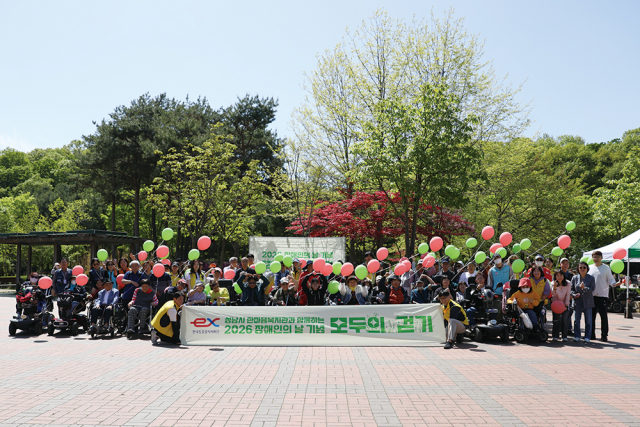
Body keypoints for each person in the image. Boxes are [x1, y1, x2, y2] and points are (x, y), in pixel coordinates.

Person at [589, 251, 621, 342]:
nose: (596, 259)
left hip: (602, 296)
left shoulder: (606, 268)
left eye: (597, 257)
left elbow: (610, 280)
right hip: (591, 296)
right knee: (591, 317)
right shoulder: (590, 267)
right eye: (594, 257)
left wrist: (615, 284)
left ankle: (604, 335)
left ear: (601, 258)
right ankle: (591, 334)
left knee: (603, 317)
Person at [571, 261, 595, 343]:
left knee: (588, 320)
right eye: (580, 267)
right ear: (578, 268)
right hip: (577, 301)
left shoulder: (591, 278)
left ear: (587, 268)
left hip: (587, 301)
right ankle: (577, 336)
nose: (582, 269)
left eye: (584, 267)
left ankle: (587, 337)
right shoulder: (574, 278)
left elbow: (592, 288)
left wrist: (584, 288)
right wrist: (574, 294)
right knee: (576, 320)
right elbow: (571, 289)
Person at [551, 270, 571, 342]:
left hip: (565, 303)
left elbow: (568, 294)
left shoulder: (568, 283)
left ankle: (564, 336)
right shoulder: (552, 283)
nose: (559, 277)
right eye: (557, 275)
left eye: (561, 275)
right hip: (556, 304)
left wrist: (566, 305)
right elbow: (553, 295)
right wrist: (555, 286)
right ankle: (555, 336)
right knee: (556, 320)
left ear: (563, 276)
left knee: (565, 320)